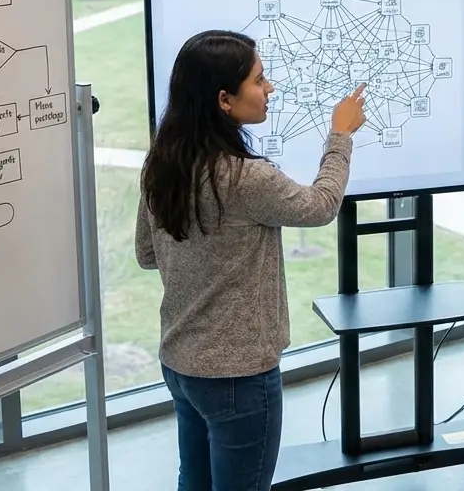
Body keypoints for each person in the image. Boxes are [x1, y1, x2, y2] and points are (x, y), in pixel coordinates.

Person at [135, 30, 366, 491]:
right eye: (260, 80)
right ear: (224, 99)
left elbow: (146, 254)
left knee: (194, 483)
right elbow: (321, 206)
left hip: (182, 367)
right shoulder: (245, 177)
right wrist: (340, 136)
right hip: (238, 378)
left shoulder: (161, 162)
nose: (270, 89)